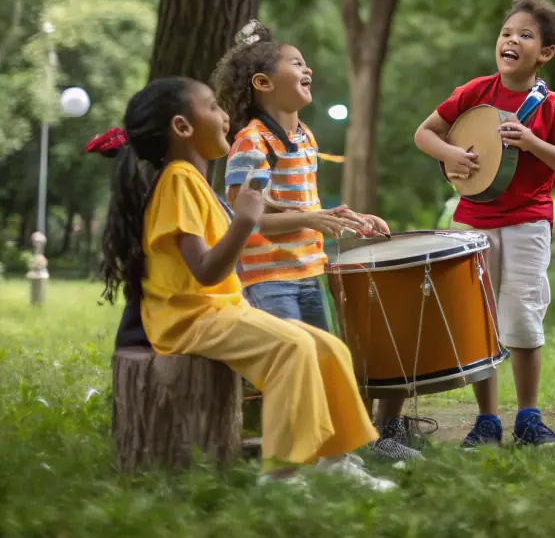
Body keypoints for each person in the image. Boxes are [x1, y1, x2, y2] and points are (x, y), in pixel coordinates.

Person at [98, 74, 391, 487]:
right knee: (293, 348)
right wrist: (245, 223)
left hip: (218, 310)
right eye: (213, 106)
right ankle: (282, 476)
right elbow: (206, 270)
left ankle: (335, 460)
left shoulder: (195, 183)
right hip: (189, 319)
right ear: (182, 127)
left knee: (328, 347)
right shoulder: (178, 179)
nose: (223, 115)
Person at [213, 20, 419, 465]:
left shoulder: (305, 138)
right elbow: (246, 218)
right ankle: (293, 463)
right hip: (269, 280)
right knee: (293, 372)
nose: (307, 70)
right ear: (263, 83)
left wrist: (343, 216)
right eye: (296, 63)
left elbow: (292, 206)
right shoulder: (251, 141)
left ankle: (334, 456)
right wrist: (314, 218)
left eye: (307, 64)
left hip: (309, 273)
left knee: (324, 365)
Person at [414, 0, 555, 448]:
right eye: (506, 32)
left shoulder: (551, 106)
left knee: (523, 318)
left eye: (525, 35)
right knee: (480, 320)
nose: (511, 40)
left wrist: (533, 143)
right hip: (473, 222)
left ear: (545, 53)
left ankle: (529, 416)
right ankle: (487, 419)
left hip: (529, 224)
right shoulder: (475, 92)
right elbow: (425, 133)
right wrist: (452, 154)